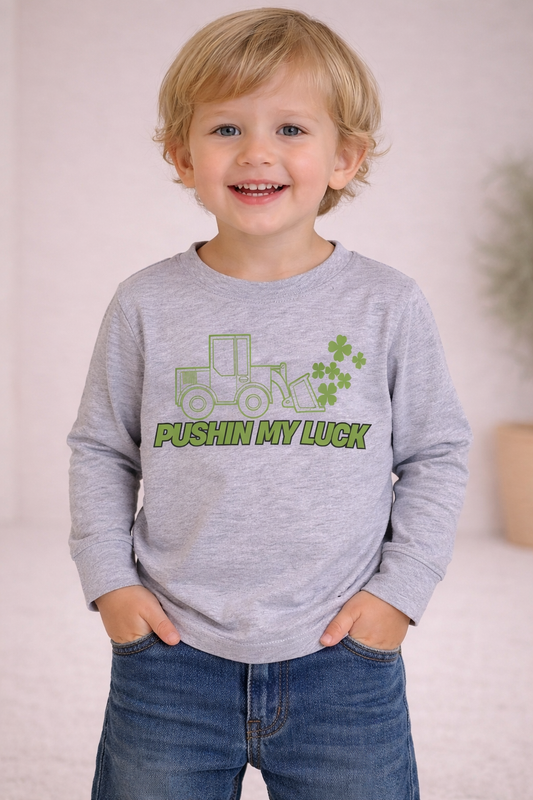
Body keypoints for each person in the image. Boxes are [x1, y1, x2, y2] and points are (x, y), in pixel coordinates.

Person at [68, 8, 472, 800]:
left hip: (341, 659)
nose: (256, 151)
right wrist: (110, 581)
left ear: (344, 158)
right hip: (170, 658)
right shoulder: (145, 303)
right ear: (182, 156)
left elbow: (435, 454)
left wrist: (399, 593)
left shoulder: (386, 304)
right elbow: (102, 449)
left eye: (290, 128)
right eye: (226, 128)